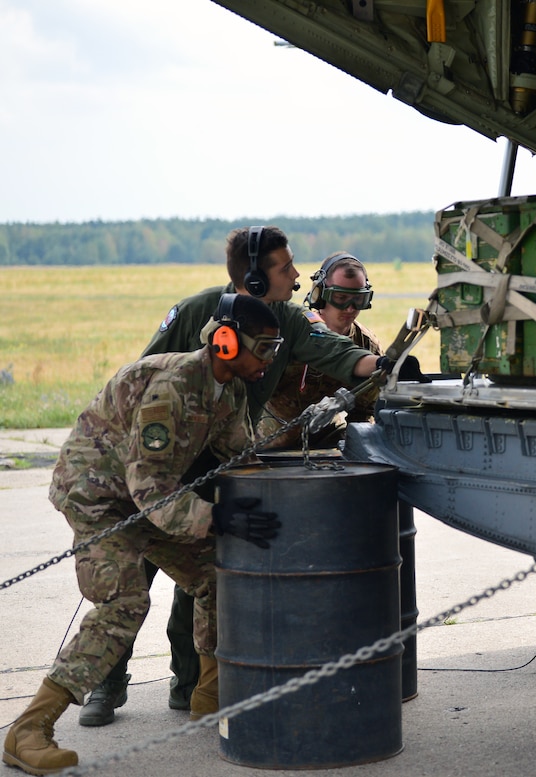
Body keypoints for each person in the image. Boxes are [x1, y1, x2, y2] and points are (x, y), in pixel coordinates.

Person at [80, 226, 427, 726]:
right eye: (285, 267)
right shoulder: (199, 311)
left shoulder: (290, 319)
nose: (295, 274)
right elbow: (141, 377)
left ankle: (188, 685)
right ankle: (106, 687)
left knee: (198, 584)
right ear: (254, 279)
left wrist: (386, 363)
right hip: (155, 467)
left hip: (213, 467)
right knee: (127, 576)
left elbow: (338, 353)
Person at [2, 294, 284, 775]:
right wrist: (218, 517)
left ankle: (211, 695)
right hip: (99, 500)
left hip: (146, 499)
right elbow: (150, 491)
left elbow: (241, 453)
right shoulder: (171, 389)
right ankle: (28, 730)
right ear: (225, 341)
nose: (269, 360)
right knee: (124, 603)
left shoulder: (228, 387)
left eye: (274, 348)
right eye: (263, 347)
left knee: (220, 571)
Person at [258, 251, 385, 450]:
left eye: (358, 300)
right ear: (319, 295)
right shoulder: (291, 330)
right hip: (267, 434)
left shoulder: (366, 346)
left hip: (325, 437)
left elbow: (363, 413)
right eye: (340, 298)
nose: (350, 308)